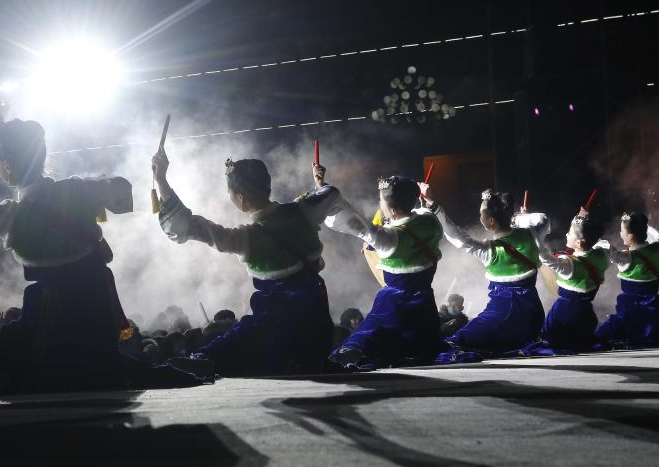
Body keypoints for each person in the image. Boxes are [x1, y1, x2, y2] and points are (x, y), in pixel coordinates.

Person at [0, 104, 206, 395]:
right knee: (100, 365)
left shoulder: (7, 218)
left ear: (6, 165)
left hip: (46, 319)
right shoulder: (79, 190)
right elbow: (123, 194)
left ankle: (3, 380)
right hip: (95, 317)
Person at [153, 148, 341, 376]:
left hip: (275, 330)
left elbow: (187, 225)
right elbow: (329, 193)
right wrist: (319, 184)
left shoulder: (245, 238)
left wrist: (161, 180)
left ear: (241, 198)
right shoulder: (302, 211)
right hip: (317, 330)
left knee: (224, 349)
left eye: (230, 193)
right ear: (268, 186)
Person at [323, 175, 444, 368]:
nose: (379, 203)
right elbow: (421, 213)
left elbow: (351, 221)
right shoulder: (430, 222)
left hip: (393, 304)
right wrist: (425, 198)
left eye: (381, 200)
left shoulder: (388, 238)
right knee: (420, 344)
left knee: (367, 335)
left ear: (392, 208)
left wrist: (324, 192)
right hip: (424, 306)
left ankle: (354, 352)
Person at [429, 188, 546, 362]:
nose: (479, 217)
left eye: (480, 214)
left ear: (490, 222)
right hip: (534, 315)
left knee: (458, 341)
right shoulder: (531, 233)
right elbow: (543, 219)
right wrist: (521, 218)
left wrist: (435, 208)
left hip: (506, 313)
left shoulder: (489, 250)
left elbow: (456, 236)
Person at [523, 210, 608, 355]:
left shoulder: (569, 265)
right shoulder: (601, 256)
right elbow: (603, 243)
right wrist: (584, 223)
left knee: (546, 339)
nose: (567, 234)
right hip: (586, 317)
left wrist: (533, 233)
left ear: (580, 242)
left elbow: (545, 258)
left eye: (570, 232)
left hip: (563, 316)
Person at [594, 212, 659, 348]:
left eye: (622, 231)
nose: (620, 233)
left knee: (598, 337)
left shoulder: (627, 258)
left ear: (631, 236)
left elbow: (609, 251)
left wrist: (589, 231)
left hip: (630, 312)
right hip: (654, 314)